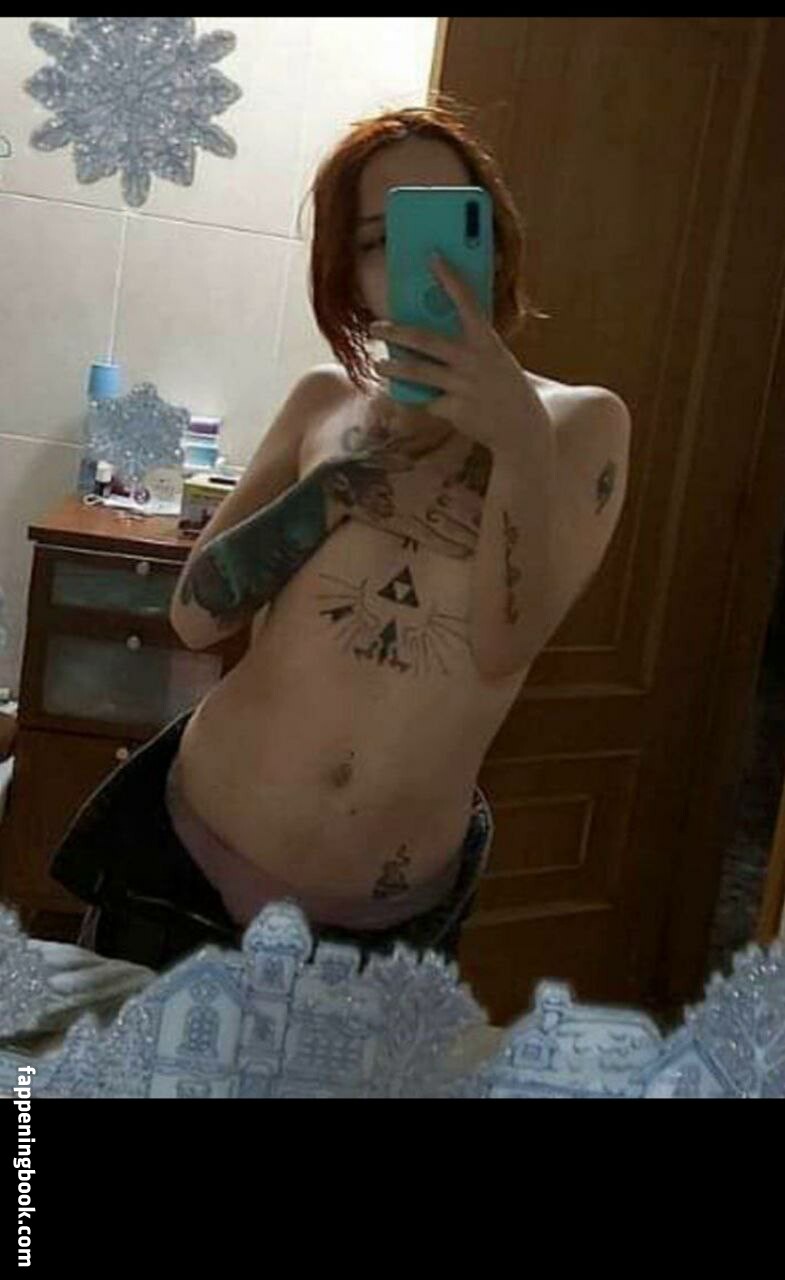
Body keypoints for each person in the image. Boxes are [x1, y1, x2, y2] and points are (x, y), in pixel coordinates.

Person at [51, 100, 630, 971]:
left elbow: (503, 646)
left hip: (380, 925)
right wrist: (340, 490)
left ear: (495, 241)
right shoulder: (323, 404)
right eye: (378, 239)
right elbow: (195, 617)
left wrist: (515, 435)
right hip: (186, 854)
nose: (422, 260)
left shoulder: (579, 426)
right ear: (346, 274)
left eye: (449, 222)